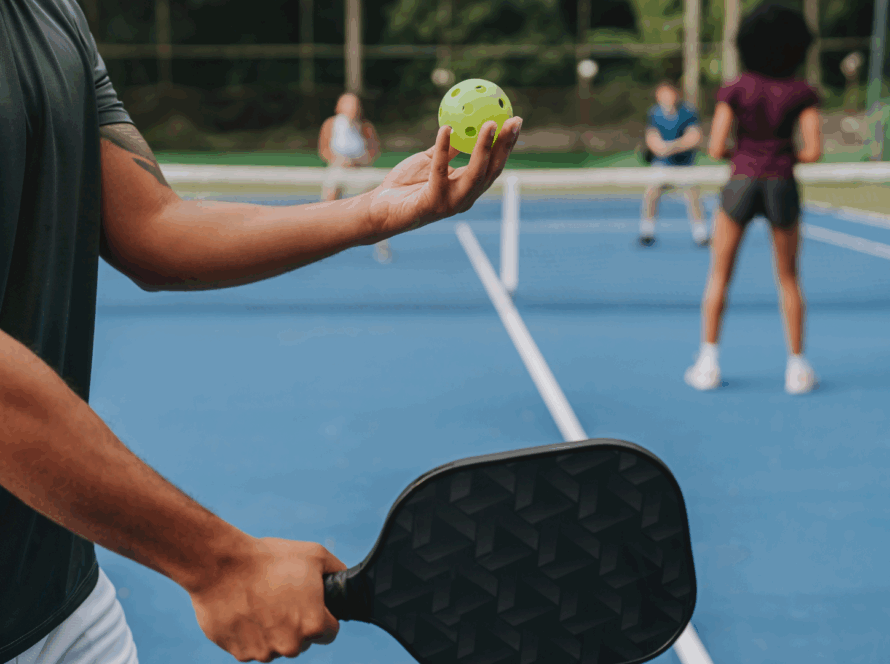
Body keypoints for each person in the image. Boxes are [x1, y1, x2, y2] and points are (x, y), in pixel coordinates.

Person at [0, 2, 523, 663]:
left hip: (62, 596)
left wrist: (373, 212)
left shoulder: (51, 13)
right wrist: (214, 562)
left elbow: (151, 227)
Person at [684, 2, 821, 394]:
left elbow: (715, 147)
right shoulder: (801, 91)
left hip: (741, 182)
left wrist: (745, 155)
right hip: (782, 184)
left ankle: (707, 363)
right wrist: (781, 156)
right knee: (789, 278)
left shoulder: (736, 89)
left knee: (719, 275)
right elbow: (813, 150)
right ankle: (797, 368)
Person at [317, 93, 392, 263]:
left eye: (355, 105)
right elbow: (324, 151)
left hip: (361, 171)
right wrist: (339, 161)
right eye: (348, 105)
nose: (353, 109)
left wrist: (359, 161)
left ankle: (382, 244)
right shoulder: (330, 125)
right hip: (338, 169)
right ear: (338, 107)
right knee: (328, 198)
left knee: (376, 203)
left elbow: (374, 152)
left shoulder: (366, 127)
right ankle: (323, 242)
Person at [641, 80, 708, 247]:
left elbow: (694, 137)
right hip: (662, 165)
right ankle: (647, 232)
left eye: (670, 93)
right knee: (651, 193)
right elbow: (652, 137)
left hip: (685, 165)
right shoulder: (654, 113)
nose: (668, 97)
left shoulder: (688, 112)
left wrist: (671, 147)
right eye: (663, 94)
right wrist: (660, 148)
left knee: (693, 195)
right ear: (658, 96)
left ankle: (700, 234)